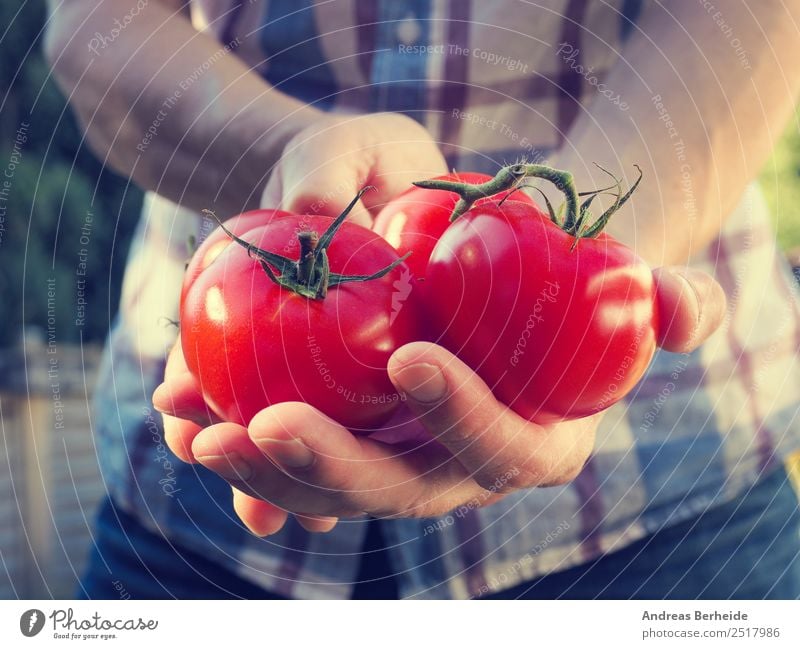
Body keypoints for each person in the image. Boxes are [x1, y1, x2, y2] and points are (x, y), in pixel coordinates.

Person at [45, 0, 800, 599]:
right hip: (205, 496)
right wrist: (282, 156)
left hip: (669, 487)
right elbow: (95, 25)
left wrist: (610, 253)